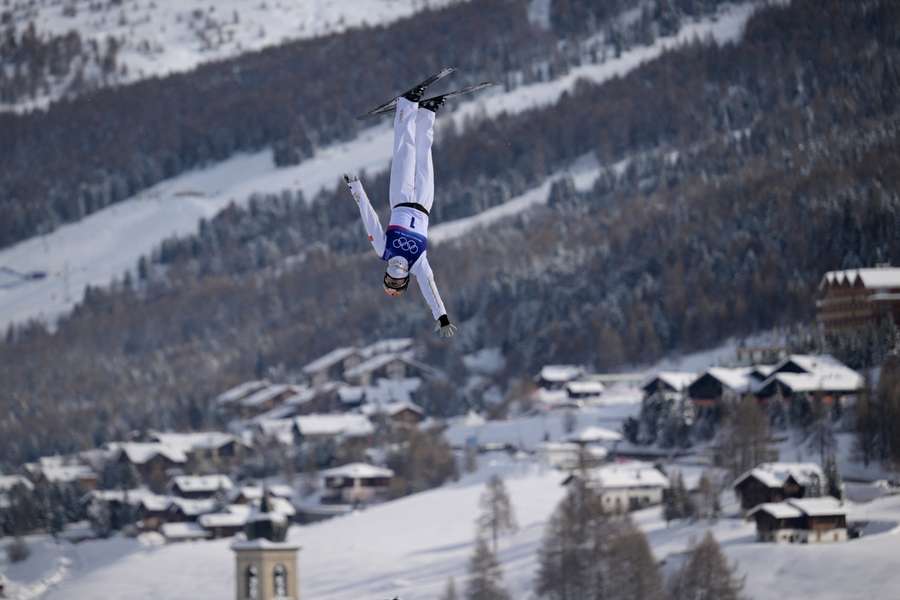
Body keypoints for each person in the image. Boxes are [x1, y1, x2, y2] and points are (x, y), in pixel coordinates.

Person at [344, 86, 457, 338]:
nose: (394, 279)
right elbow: (430, 288)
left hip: (407, 200)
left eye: (390, 282)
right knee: (421, 157)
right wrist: (441, 315)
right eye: (396, 283)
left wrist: (356, 188)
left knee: (407, 153)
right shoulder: (416, 263)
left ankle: (408, 105)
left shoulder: (389, 252)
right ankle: (426, 113)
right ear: (404, 279)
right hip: (421, 204)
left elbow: (370, 219)